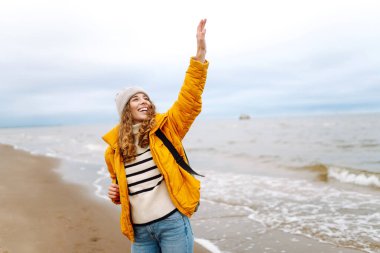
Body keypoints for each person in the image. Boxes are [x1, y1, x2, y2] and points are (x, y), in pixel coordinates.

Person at [102, 19, 209, 253]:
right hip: (140, 233)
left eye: (146, 98)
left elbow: (189, 98)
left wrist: (199, 56)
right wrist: (115, 193)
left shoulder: (166, 128)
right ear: (125, 110)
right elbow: (122, 189)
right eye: (136, 99)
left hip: (171, 223)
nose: (144, 101)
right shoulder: (113, 150)